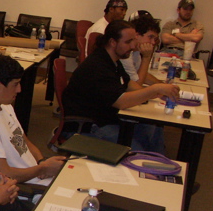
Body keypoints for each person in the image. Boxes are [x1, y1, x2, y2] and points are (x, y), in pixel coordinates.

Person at [62, 20, 180, 153]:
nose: (133, 45)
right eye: (128, 42)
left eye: (133, 40)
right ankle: (148, 163)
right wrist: (155, 89)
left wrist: (156, 92)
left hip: (105, 118)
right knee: (137, 153)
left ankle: (156, 165)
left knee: (153, 127)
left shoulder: (113, 61)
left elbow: (130, 85)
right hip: (88, 126)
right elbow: (121, 102)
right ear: (113, 42)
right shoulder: (98, 66)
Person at [0, 54, 66, 186]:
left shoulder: (6, 107)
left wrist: (41, 162)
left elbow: (24, 141)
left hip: (36, 174)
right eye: (15, 84)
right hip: (26, 187)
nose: (19, 89)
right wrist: (43, 168)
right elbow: (4, 173)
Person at [122, 15, 162, 85]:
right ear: (136, 35)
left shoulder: (136, 51)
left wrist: (163, 85)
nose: (153, 42)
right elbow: (137, 85)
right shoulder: (125, 53)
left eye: (154, 39)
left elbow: (142, 74)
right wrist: (146, 58)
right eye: (150, 37)